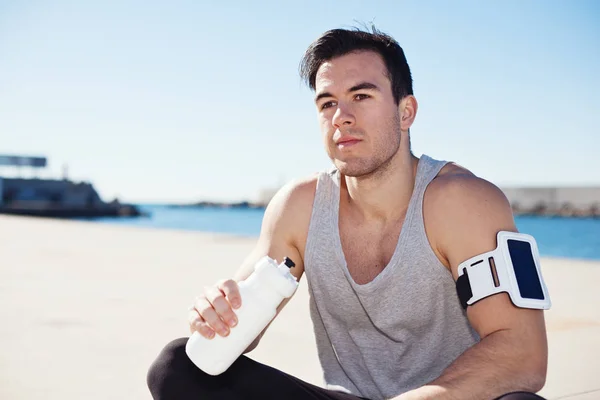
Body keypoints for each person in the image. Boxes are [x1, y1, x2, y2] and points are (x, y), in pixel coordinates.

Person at [147, 26, 549, 400]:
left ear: (405, 111)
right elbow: (240, 330)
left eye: (361, 96)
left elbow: (524, 354)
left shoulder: (463, 201)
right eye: (327, 103)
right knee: (178, 365)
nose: (341, 117)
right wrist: (217, 313)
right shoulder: (299, 206)